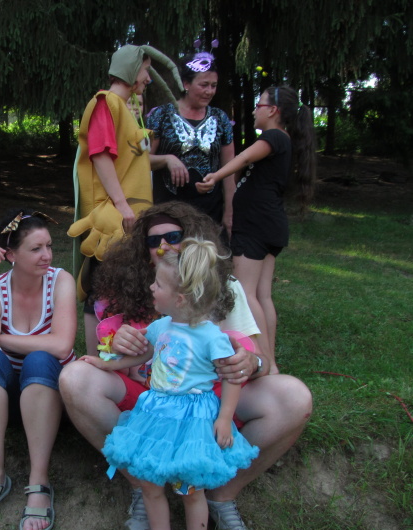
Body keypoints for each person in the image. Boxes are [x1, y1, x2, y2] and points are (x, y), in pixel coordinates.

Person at [59, 202, 313, 530]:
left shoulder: (222, 287)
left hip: (204, 403)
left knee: (295, 396)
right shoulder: (133, 289)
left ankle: (221, 495)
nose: (163, 246)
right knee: (74, 378)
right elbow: (116, 351)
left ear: (192, 239)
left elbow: (264, 362)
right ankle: (144, 484)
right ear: (142, 249)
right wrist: (112, 348)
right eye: (153, 241)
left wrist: (250, 362)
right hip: (149, 402)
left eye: (173, 236)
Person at [80, 238, 259, 530]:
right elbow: (143, 354)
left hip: (192, 422)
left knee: (190, 490)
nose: (151, 287)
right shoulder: (160, 327)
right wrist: (106, 364)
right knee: (150, 484)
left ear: (179, 298)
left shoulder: (212, 337)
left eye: (158, 284)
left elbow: (232, 377)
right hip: (155, 415)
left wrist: (224, 418)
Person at [0, 209, 77, 530]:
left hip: (53, 401)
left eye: (49, 246)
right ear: (11, 255)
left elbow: (61, 345)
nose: (47, 256)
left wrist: (0, 338)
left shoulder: (60, 280)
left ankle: (38, 481)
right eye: (36, 249)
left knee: (39, 359)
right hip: (10, 405)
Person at [68, 44, 182, 354]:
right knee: (102, 286)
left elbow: (133, 162)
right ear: (131, 70)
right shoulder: (106, 102)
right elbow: (101, 155)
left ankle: (126, 358)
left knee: (127, 287)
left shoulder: (125, 110)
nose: (148, 78)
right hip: (114, 219)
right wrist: (121, 206)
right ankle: (96, 360)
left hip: (132, 218)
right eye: (145, 71)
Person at [196, 85, 316, 375]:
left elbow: (244, 158)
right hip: (268, 224)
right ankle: (270, 363)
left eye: (259, 105)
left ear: (273, 110)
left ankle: (262, 360)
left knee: (245, 292)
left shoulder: (274, 136)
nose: (253, 110)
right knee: (262, 295)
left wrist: (215, 176)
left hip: (255, 225)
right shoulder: (282, 139)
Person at [146, 45, 237, 230]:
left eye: (213, 86)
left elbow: (229, 170)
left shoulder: (220, 118)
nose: (209, 91)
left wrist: (230, 211)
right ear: (186, 84)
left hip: (209, 214)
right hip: (167, 212)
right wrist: (167, 159)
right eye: (204, 85)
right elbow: (142, 161)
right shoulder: (161, 115)